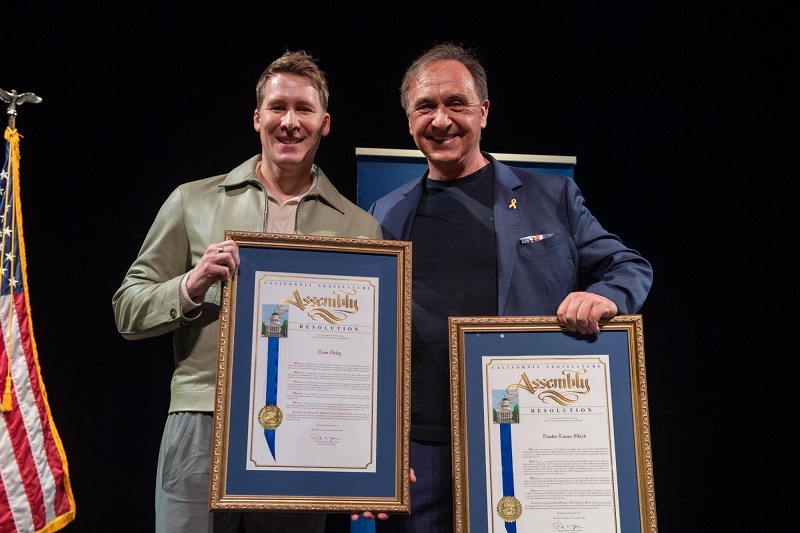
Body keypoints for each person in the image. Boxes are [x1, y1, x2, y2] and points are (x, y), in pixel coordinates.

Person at [368, 43, 654, 532]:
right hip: (421, 452)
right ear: (409, 120)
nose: (441, 120)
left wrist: (605, 296)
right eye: (425, 107)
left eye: (455, 103)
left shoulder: (552, 196)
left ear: (483, 111)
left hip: (528, 437)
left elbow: (629, 265)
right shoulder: (384, 213)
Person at [112, 50, 382, 533]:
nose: (290, 122)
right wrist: (191, 284)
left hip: (303, 430)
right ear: (257, 117)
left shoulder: (360, 229)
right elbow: (127, 309)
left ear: (325, 124)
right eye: (278, 107)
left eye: (304, 110)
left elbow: (371, 360)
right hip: (202, 415)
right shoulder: (191, 201)